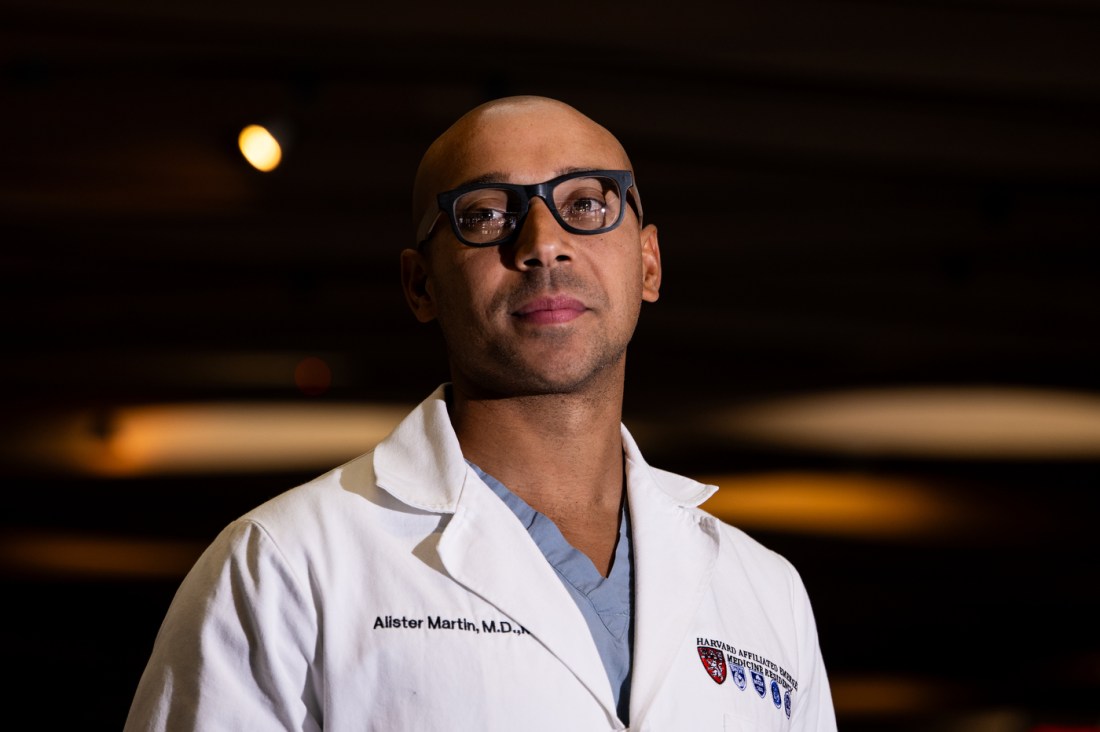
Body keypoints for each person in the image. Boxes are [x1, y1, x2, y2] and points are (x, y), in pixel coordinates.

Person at [124, 95, 838, 731]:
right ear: (420, 285)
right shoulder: (285, 565)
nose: (543, 244)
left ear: (648, 263)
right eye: (487, 214)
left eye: (587, 203)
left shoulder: (762, 590)